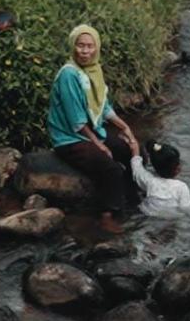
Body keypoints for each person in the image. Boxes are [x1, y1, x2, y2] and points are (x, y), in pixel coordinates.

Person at [47, 24, 140, 226]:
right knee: (112, 169)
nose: (85, 51)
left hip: (93, 131)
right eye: (81, 46)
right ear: (73, 47)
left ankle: (133, 200)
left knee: (130, 150)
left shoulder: (94, 70)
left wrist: (126, 129)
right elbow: (76, 119)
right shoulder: (69, 74)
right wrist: (99, 144)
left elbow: (104, 107)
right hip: (70, 137)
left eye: (90, 46)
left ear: (96, 48)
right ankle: (107, 216)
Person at [130, 141, 190, 213]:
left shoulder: (150, 181)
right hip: (171, 217)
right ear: (178, 169)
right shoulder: (182, 187)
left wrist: (135, 150)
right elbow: (185, 209)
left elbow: (137, 169)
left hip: (149, 212)